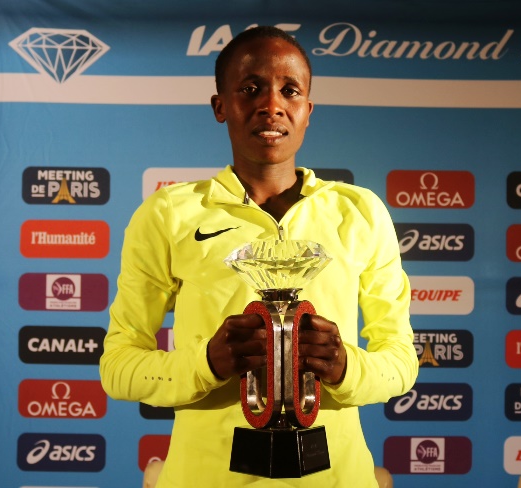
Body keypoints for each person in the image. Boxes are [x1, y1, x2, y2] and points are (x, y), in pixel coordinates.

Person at [100, 26, 419, 487]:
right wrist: (205, 364)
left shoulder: (360, 211)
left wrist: (346, 366)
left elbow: (402, 362)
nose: (272, 105)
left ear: (308, 111)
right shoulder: (169, 213)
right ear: (220, 107)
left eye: (290, 90)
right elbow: (118, 368)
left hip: (335, 476)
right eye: (251, 89)